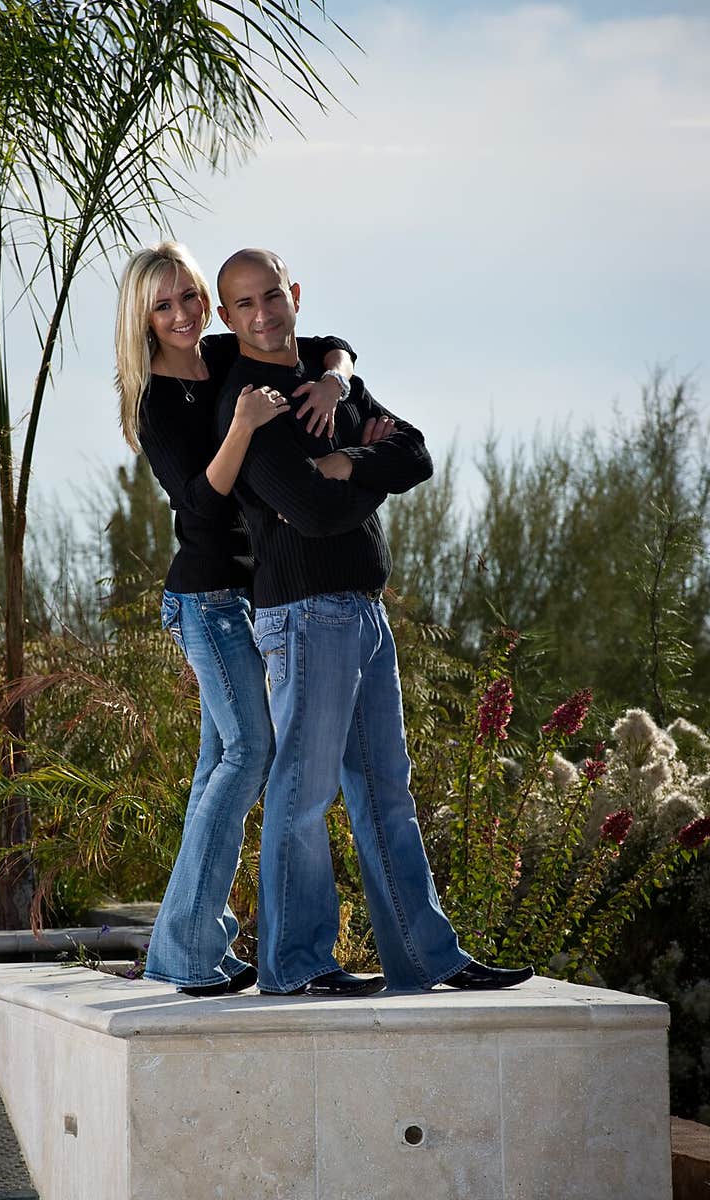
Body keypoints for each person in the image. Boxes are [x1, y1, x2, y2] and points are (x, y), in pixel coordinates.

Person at [215, 247, 535, 997]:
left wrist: (351, 462)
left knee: (387, 789)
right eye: (245, 306)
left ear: (293, 294)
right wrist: (360, 477)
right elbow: (316, 515)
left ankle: (426, 958)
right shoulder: (251, 400)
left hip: (360, 613)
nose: (263, 315)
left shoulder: (332, 384)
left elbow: (415, 453)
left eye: (273, 297)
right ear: (228, 319)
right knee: (304, 791)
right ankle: (294, 965)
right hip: (302, 618)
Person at [114, 240, 370, 997]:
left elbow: (330, 343)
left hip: (251, 596)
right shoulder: (153, 399)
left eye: (190, 297)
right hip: (207, 599)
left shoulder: (223, 352)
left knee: (215, 769)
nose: (183, 313)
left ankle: (182, 947)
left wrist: (331, 380)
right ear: (143, 319)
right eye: (164, 306)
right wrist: (245, 426)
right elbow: (199, 503)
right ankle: (191, 952)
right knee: (249, 754)